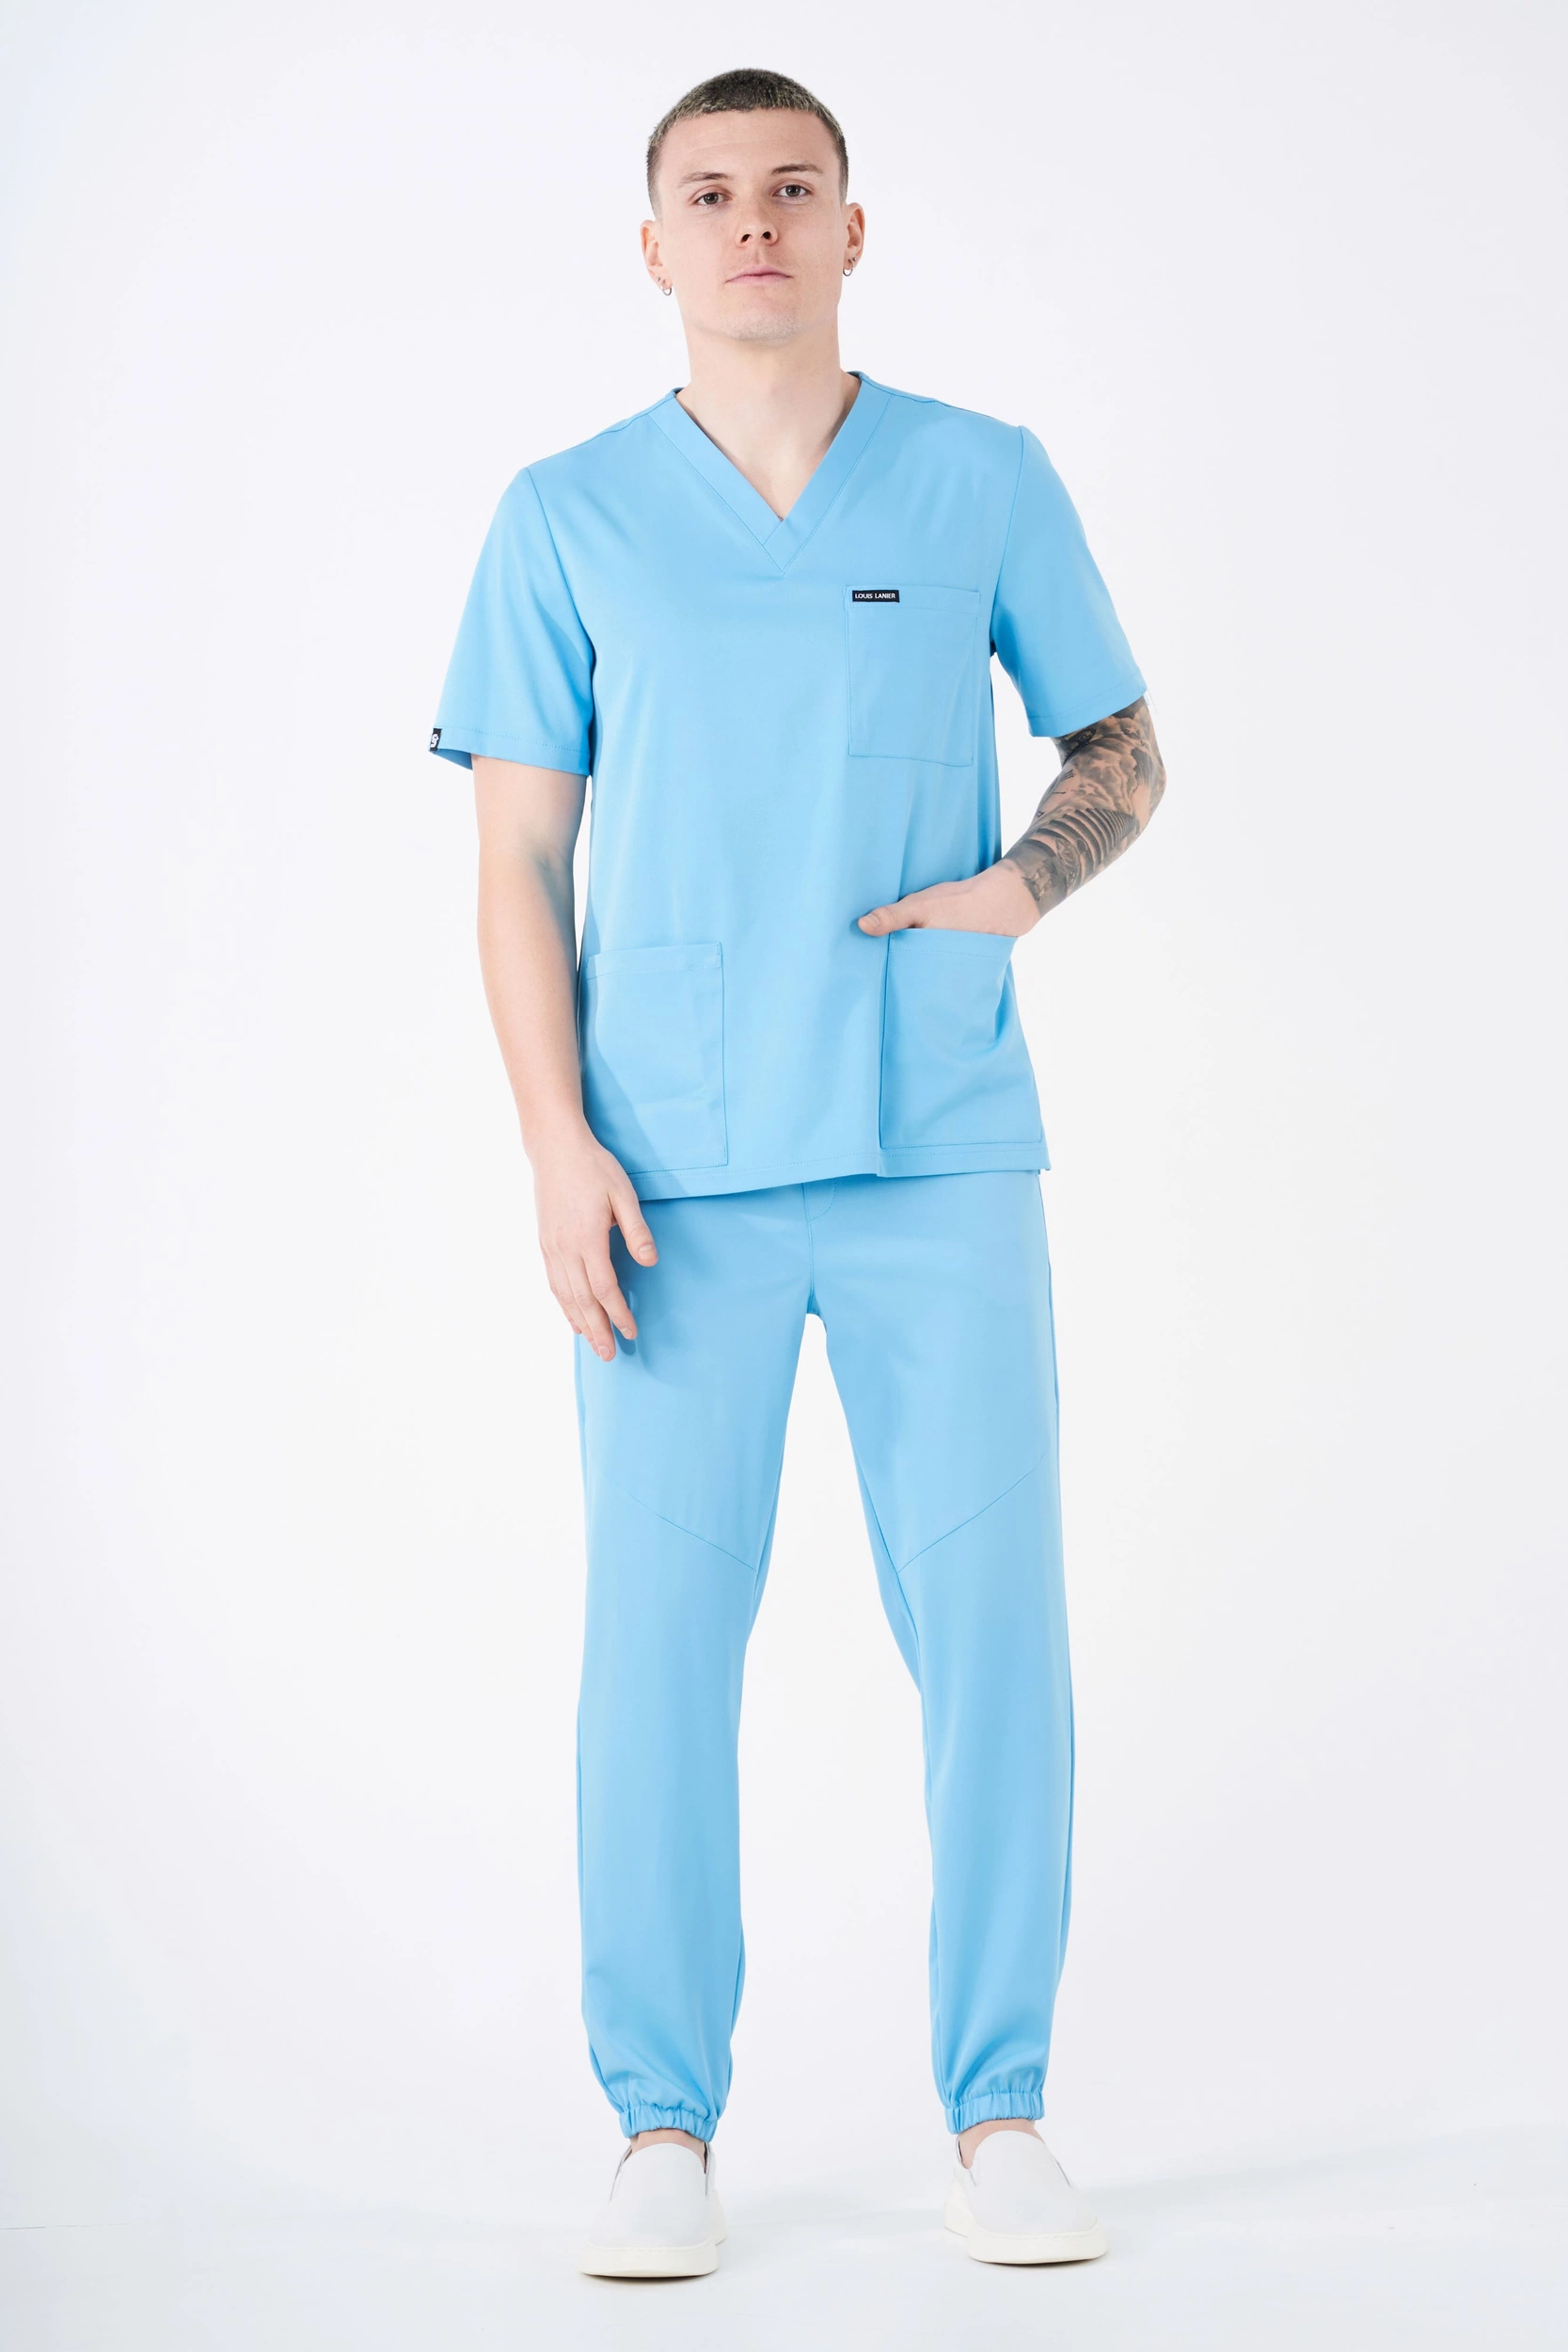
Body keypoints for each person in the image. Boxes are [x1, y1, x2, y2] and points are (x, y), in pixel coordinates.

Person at [429, 66, 1165, 2279]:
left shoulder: (979, 478)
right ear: (652, 245)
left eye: (790, 188)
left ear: (852, 229)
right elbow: (517, 861)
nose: (751, 220)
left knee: (993, 1630)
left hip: (936, 1143)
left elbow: (1119, 746)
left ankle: (1000, 2107)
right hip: (666, 1170)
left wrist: (1013, 895)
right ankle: (659, 2124)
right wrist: (554, 1144)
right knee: (656, 1644)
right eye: (708, 193)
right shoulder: (564, 516)